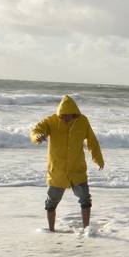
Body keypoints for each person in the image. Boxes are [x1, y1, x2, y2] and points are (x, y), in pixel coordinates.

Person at [29, 95, 104, 232]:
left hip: (77, 169)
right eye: (63, 115)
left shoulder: (82, 121)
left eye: (69, 115)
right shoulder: (51, 121)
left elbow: (92, 141)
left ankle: (86, 229)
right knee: (51, 203)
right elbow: (36, 130)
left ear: (75, 113)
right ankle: (51, 229)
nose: (65, 118)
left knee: (85, 199)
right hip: (58, 171)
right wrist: (37, 137)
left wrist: (98, 158)